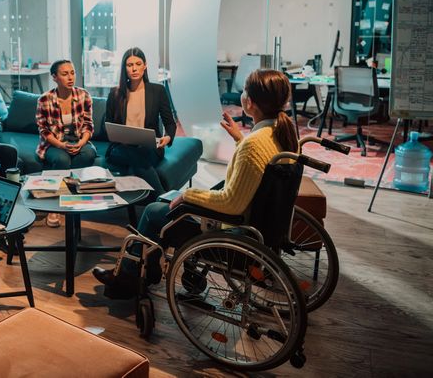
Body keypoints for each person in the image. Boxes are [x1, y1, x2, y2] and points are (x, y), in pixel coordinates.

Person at [93, 69, 298, 298]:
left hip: (231, 233)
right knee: (165, 202)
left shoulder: (254, 145)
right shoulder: (282, 134)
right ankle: (150, 270)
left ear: (249, 102)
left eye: (244, 91)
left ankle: (128, 278)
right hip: (258, 228)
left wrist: (188, 195)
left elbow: (231, 204)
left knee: (153, 211)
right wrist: (239, 140)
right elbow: (253, 172)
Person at [104, 47, 176, 196]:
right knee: (135, 157)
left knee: (139, 157)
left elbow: (170, 123)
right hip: (121, 148)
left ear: (145, 65)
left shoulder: (157, 91)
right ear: (124, 68)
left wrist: (167, 137)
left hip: (149, 147)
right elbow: (108, 126)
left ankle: (159, 198)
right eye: (130, 65)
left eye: (138, 64)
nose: (134, 69)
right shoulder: (115, 94)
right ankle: (163, 197)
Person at [35, 59, 97, 227]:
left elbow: (88, 125)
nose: (70, 77)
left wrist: (81, 142)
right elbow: (44, 130)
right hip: (54, 142)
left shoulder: (83, 95)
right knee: (62, 159)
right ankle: (55, 205)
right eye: (65, 74)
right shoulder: (44, 99)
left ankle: (72, 196)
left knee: (88, 154)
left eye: (72, 73)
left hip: (78, 139)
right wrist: (61, 145)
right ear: (54, 77)